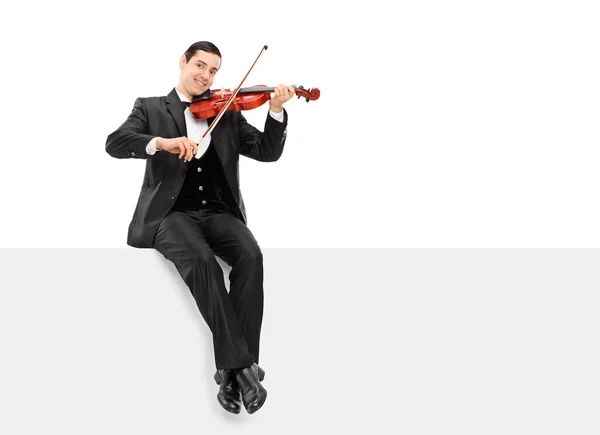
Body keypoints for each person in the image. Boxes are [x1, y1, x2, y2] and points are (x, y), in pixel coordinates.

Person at [105, 40, 295, 415]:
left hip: (218, 210)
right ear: (183, 62)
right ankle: (245, 370)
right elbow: (115, 143)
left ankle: (231, 371)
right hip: (170, 214)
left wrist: (274, 110)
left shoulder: (225, 108)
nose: (205, 76)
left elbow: (266, 151)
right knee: (202, 261)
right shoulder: (150, 107)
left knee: (250, 255)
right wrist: (161, 142)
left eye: (213, 71)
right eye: (200, 66)